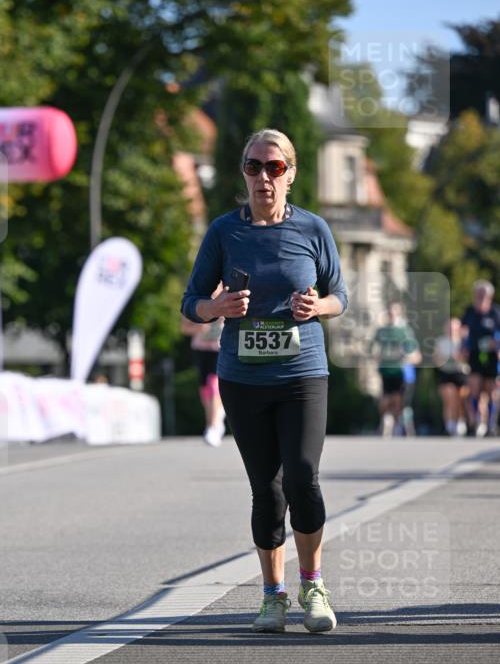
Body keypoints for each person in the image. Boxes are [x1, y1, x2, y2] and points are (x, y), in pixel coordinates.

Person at [181, 128, 347, 634]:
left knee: (303, 479)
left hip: (302, 375)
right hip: (242, 379)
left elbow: (340, 295)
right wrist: (218, 307)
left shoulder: (314, 229)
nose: (264, 177)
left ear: (291, 174)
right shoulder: (224, 233)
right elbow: (191, 302)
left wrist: (318, 305)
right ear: (244, 174)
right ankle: (273, 595)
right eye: (254, 167)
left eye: (274, 168)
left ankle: (313, 585)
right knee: (267, 490)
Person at [180, 286, 226, 447]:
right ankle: (213, 422)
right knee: (205, 390)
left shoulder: (226, 295)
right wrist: (198, 327)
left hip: (219, 348)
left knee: (214, 385)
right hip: (201, 348)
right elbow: (184, 327)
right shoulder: (198, 297)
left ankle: (214, 425)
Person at [460, 280, 500, 437]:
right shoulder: (470, 312)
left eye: (483, 295)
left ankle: (491, 423)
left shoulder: (496, 312)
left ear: (490, 296)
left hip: (492, 356)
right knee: (474, 388)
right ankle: (476, 421)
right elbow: (463, 330)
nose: (480, 297)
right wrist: (463, 344)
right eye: (478, 294)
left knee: (491, 390)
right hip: (474, 354)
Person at [370, 302, 421, 437]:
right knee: (386, 398)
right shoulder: (381, 330)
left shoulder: (404, 330)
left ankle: (397, 423)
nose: (392, 315)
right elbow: (373, 348)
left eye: (394, 312)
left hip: (400, 370)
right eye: (390, 312)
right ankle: (387, 420)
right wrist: (376, 355)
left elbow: (413, 350)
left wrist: (409, 356)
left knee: (398, 398)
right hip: (386, 370)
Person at [433, 317, 469, 436]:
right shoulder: (441, 342)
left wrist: (459, 357)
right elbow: (436, 360)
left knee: (461, 398)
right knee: (449, 397)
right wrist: (442, 359)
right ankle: (449, 424)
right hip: (445, 373)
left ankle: (460, 420)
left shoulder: (463, 341)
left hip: (460, 373)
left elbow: (467, 358)